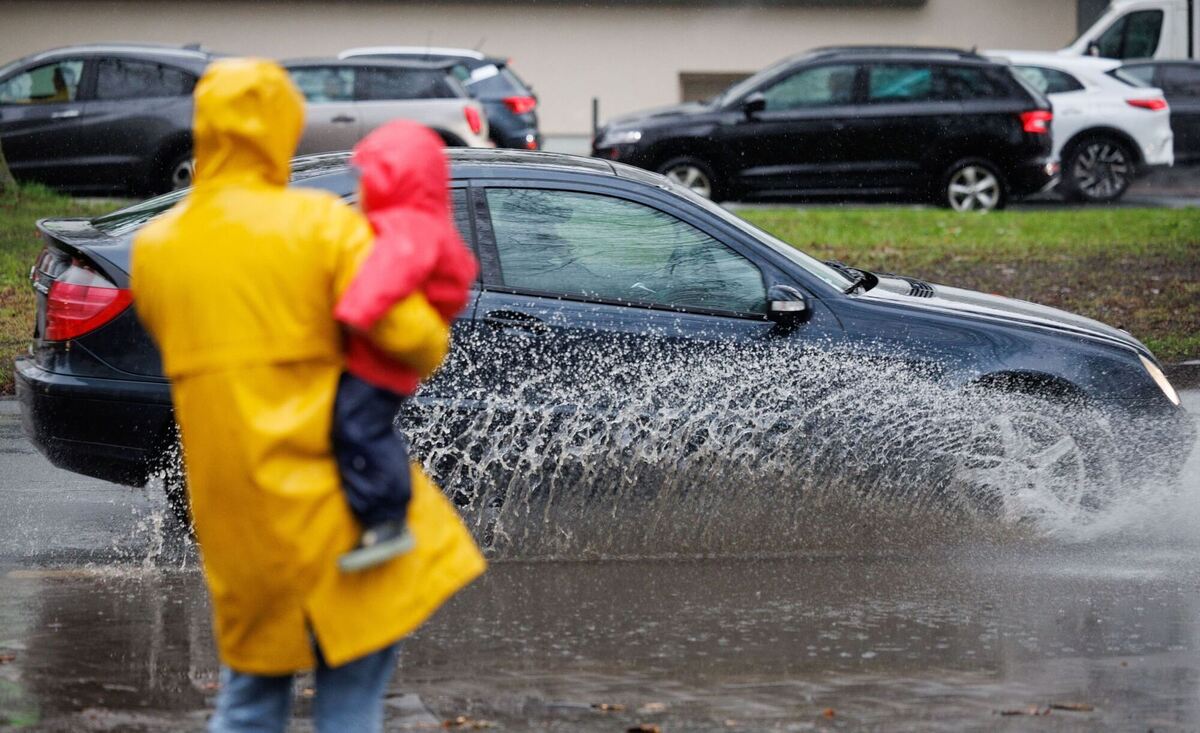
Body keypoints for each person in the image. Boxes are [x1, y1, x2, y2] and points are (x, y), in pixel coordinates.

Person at [129, 58, 485, 732]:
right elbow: (415, 340)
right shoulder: (319, 225)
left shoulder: (156, 248)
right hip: (335, 506)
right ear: (283, 127)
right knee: (349, 699)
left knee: (250, 701)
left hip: (236, 512)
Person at [332, 120, 479, 573]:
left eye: (367, 175)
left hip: (380, 360)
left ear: (393, 175)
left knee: (360, 428)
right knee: (357, 427)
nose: (361, 186)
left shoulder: (407, 225)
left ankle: (388, 517)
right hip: (386, 356)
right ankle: (376, 516)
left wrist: (353, 311)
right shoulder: (419, 220)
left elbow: (389, 274)